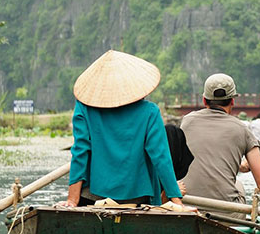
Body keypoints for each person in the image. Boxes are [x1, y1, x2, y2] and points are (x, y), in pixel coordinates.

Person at [61, 50, 183, 208]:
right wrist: (177, 200)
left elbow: (80, 151)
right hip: (137, 197)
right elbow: (160, 157)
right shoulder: (150, 111)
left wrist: (72, 200)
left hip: (94, 195)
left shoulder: (84, 107)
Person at [179, 73, 260, 222]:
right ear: (232, 101)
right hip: (226, 213)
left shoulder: (186, 122)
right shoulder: (242, 129)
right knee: (237, 184)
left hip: (185, 206)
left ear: (204, 100)